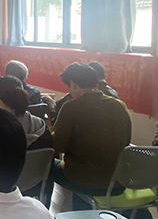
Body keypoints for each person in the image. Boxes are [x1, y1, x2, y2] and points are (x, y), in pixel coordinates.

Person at [51, 63, 132, 206]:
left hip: (84, 180)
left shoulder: (71, 107)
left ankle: (49, 211)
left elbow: (58, 146)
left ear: (73, 84)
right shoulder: (119, 105)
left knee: (46, 167)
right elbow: (126, 141)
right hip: (118, 182)